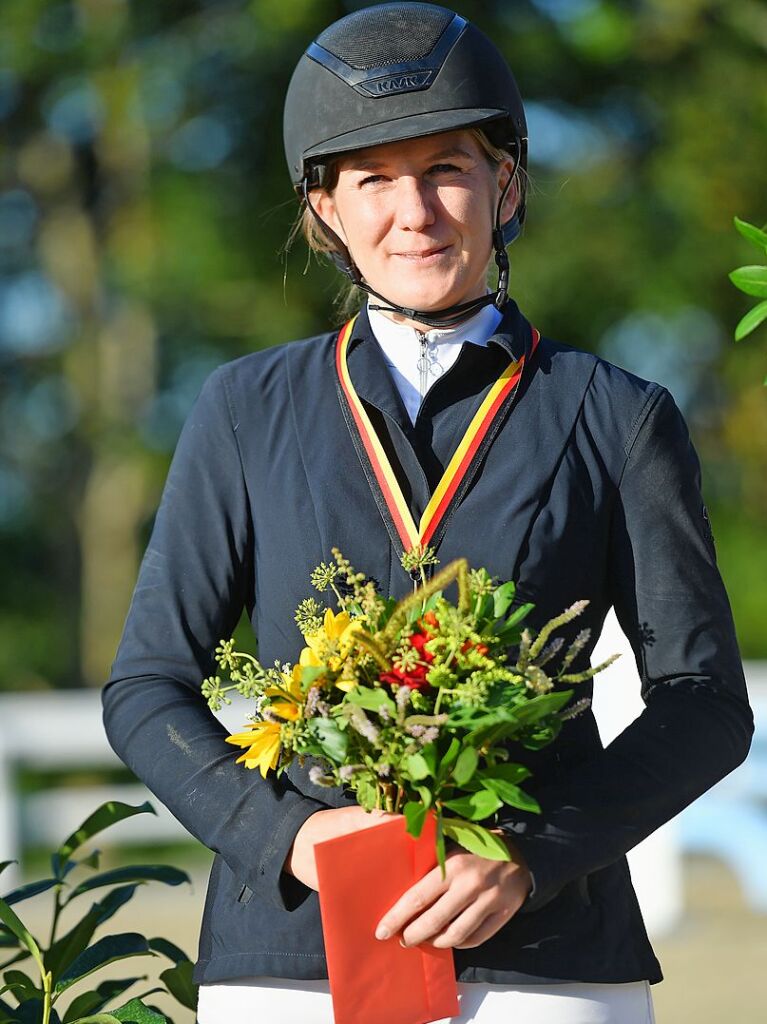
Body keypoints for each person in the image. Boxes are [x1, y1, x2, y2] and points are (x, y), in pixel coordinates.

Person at [102, 4, 754, 1023]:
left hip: (547, 959)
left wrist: (530, 857)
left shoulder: (617, 414)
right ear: (325, 208)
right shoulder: (242, 409)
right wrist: (290, 839)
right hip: (290, 955)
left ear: (503, 183)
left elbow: (702, 702)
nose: (414, 212)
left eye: (445, 169)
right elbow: (146, 684)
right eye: (371, 179)